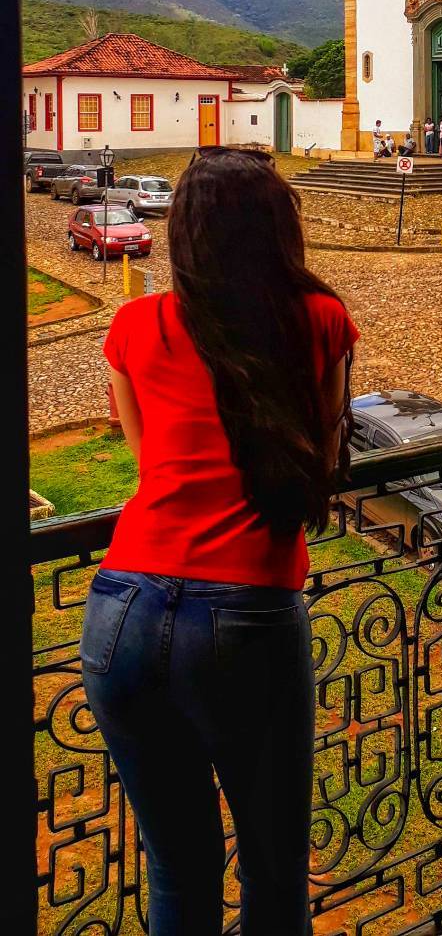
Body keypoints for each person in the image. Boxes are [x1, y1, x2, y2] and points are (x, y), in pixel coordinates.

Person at [80, 149, 359, 936]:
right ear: (278, 230)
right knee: (272, 876)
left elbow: (148, 463)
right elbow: (325, 459)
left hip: (122, 607)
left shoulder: (135, 325)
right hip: (247, 615)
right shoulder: (320, 320)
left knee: (179, 870)